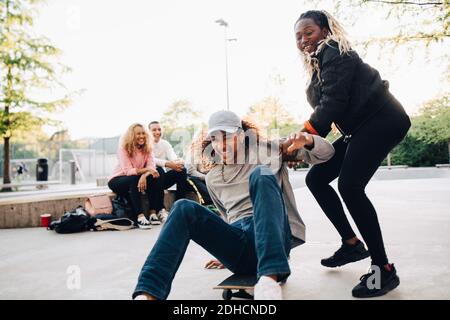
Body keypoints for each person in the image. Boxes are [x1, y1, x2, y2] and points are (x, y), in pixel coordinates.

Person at [133, 110, 335, 300]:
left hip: (273, 236)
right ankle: (148, 293)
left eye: (227, 136)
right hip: (241, 245)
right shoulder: (213, 177)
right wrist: (223, 248)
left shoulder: (269, 151)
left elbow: (327, 154)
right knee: (183, 207)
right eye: (215, 138)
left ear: (242, 135)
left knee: (261, 173)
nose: (221, 145)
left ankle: (269, 279)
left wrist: (308, 140)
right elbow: (226, 217)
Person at [293, 10, 411, 298]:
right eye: (298, 36)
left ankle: (383, 269)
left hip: (382, 119)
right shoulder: (318, 64)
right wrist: (307, 140)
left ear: (325, 30)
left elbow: (333, 104)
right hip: (359, 128)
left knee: (350, 186)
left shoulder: (335, 50)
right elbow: (333, 106)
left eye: (309, 32)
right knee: (317, 179)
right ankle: (351, 244)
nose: (303, 39)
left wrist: (305, 135)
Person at [108, 123, 161, 229]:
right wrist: (146, 171)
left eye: (143, 133)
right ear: (132, 135)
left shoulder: (148, 148)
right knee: (134, 179)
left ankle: (152, 213)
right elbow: (128, 171)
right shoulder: (123, 148)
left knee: (156, 174)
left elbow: (152, 167)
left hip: (135, 177)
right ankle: (140, 217)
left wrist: (144, 175)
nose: (141, 136)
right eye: (138, 134)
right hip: (117, 179)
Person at [148, 121, 189, 224]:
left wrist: (178, 162)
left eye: (159, 129)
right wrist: (167, 164)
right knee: (160, 170)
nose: (157, 132)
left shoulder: (165, 143)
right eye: (154, 130)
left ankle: (180, 206)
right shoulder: (146, 144)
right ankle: (160, 210)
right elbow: (153, 161)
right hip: (150, 178)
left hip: (162, 179)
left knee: (182, 171)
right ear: (148, 131)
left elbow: (173, 156)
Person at [184, 126, 214, 206]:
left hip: (206, 177)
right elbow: (190, 171)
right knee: (194, 179)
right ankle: (209, 203)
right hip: (192, 178)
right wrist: (206, 177)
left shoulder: (212, 150)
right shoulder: (194, 151)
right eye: (204, 136)